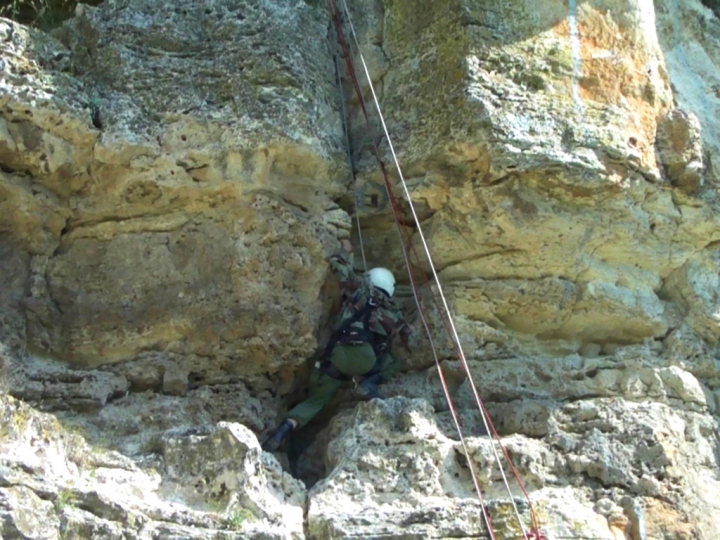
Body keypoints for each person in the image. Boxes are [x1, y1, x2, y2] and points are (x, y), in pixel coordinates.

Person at [262, 239, 412, 452]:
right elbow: (409, 343)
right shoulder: (395, 313)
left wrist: (346, 250)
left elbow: (338, 267)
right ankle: (368, 384)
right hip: (367, 361)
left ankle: (283, 430)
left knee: (317, 400)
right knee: (394, 361)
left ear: (371, 278)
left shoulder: (360, 289)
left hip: (337, 355)